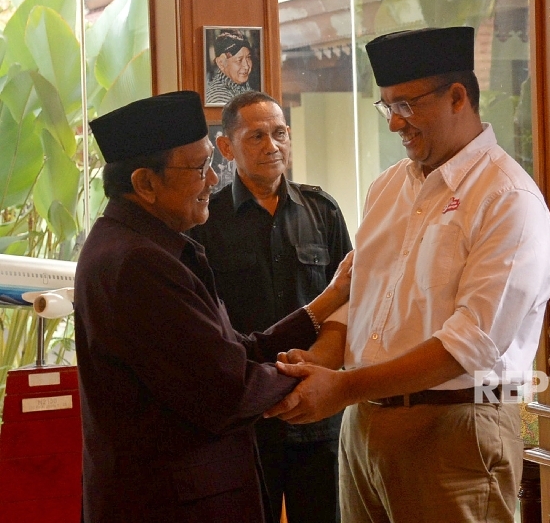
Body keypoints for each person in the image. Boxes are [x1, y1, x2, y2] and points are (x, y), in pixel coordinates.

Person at [267, 26, 550, 522]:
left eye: (406, 105)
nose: (394, 124)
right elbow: (362, 302)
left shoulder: (508, 198)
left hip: (455, 429)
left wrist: (340, 388)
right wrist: (320, 361)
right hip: (363, 428)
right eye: (386, 107)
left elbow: (469, 343)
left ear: (458, 97)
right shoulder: (388, 188)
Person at [76, 90, 351, 522]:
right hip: (170, 502)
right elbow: (228, 385)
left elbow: (231, 349)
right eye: (200, 167)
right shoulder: (136, 262)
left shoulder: (148, 243)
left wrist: (324, 306)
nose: (210, 179)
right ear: (145, 183)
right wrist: (315, 379)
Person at [189, 90, 352, 523]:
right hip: (246, 418)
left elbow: (351, 301)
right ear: (226, 147)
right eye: (256, 136)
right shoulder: (206, 222)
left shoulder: (323, 211)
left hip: (317, 414)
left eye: (279, 133)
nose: (272, 146)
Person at [206, 30, 254, 105]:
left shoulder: (243, 86)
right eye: (239, 60)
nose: (246, 66)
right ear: (221, 63)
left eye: (248, 57)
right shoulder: (218, 97)